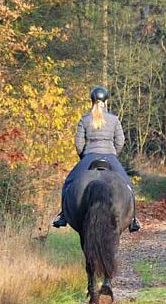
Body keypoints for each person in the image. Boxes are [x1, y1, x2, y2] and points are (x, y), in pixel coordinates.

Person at [52, 86, 141, 232]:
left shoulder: (84, 120)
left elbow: (79, 143)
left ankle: (63, 215)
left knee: (68, 183)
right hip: (110, 156)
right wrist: (113, 155)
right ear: (105, 101)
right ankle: (133, 219)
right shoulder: (114, 119)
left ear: (91, 101)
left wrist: (84, 157)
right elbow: (120, 140)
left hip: (89, 156)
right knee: (127, 184)